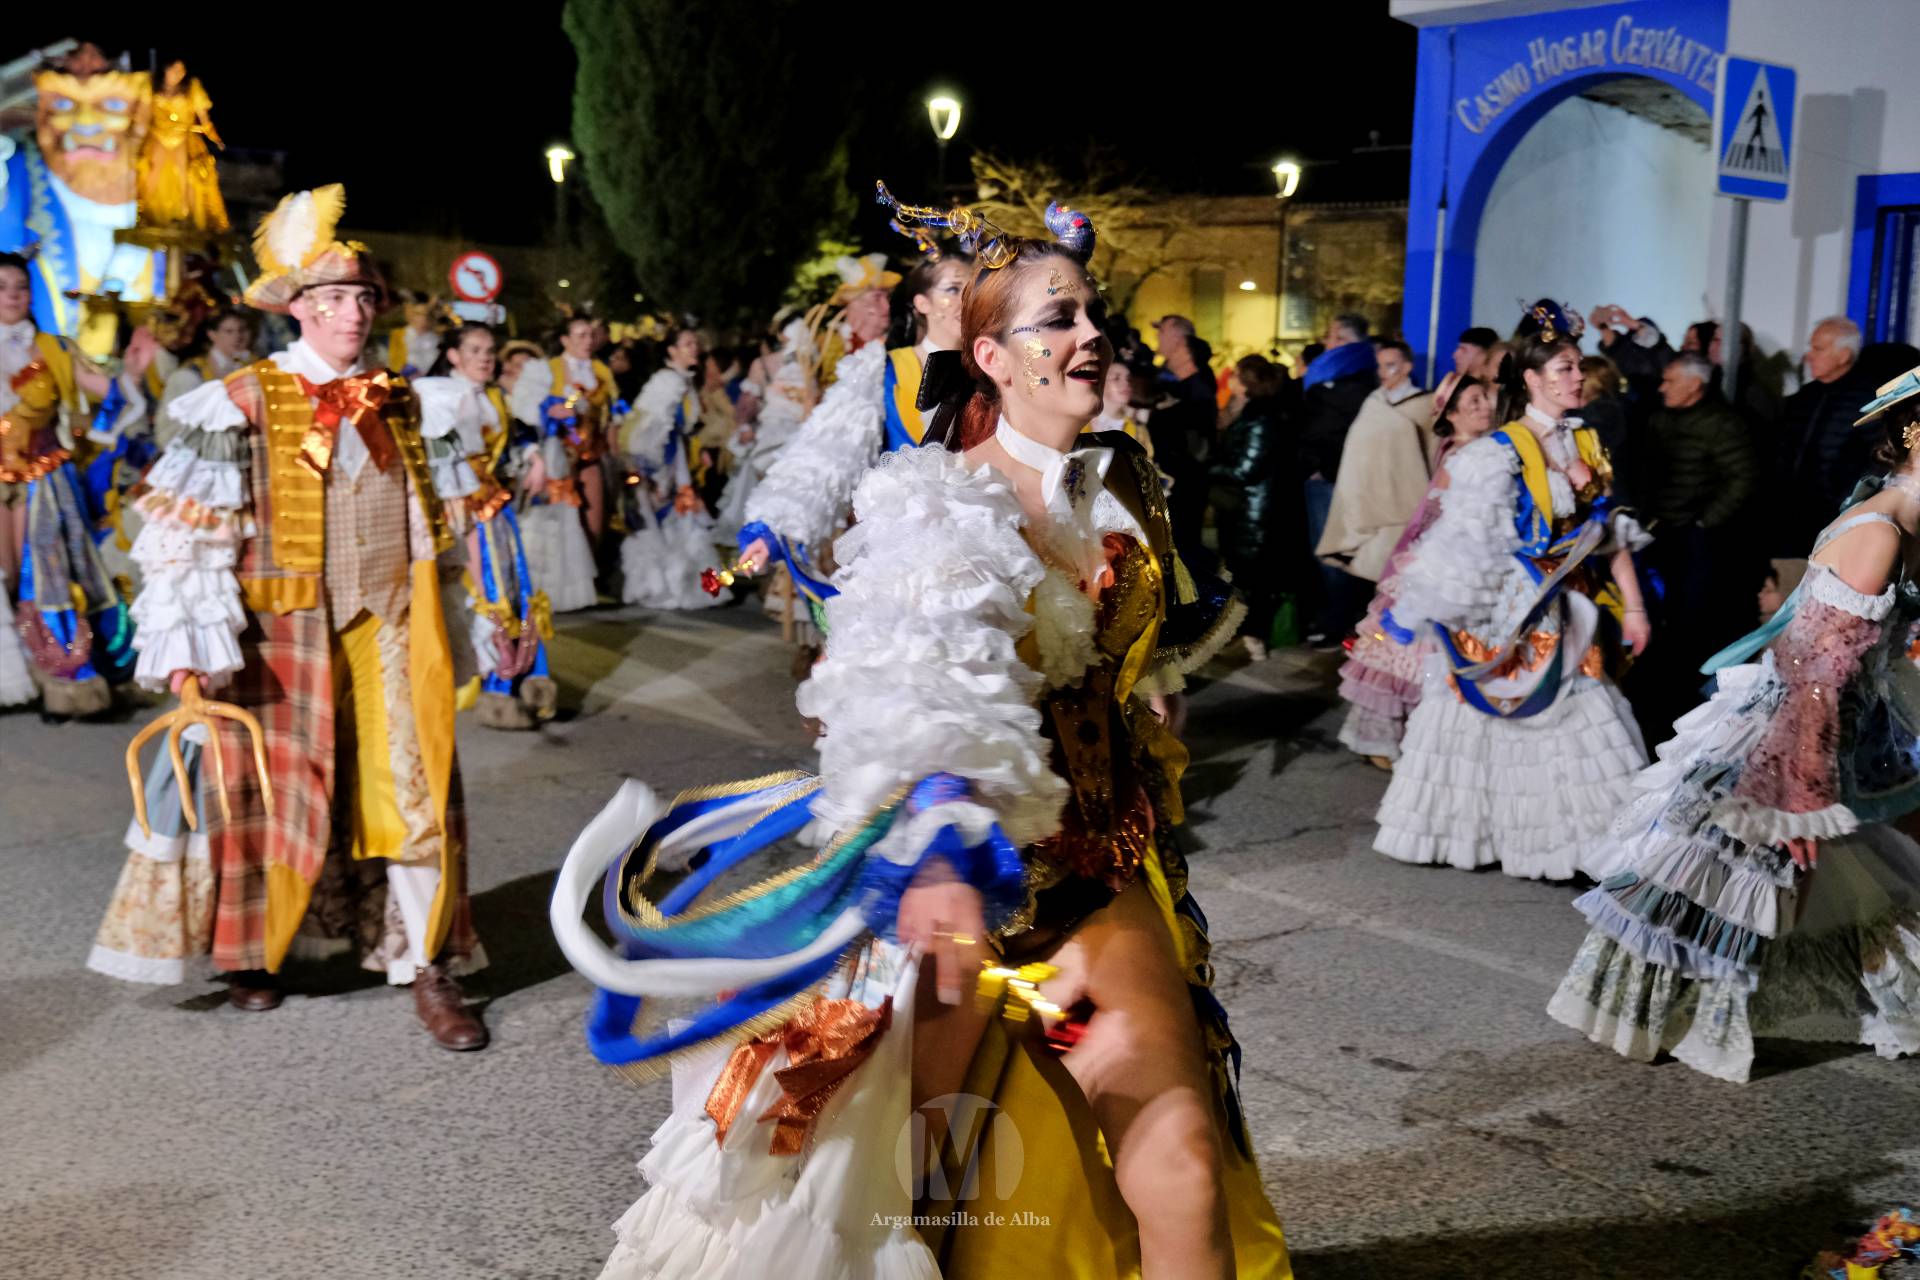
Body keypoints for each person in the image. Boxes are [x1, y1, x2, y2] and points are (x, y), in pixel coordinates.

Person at [551, 198, 1287, 1278]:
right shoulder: (935, 503)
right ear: (988, 352)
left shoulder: (1126, 480)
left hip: (1092, 886)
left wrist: (1144, 695)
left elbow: (1139, 642)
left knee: (1174, 1155)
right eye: (1057, 318)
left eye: (1091, 312)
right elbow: (928, 680)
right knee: (903, 1170)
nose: (1090, 335)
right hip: (953, 909)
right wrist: (942, 843)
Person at [89, 186, 486, 1049]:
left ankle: (425, 963)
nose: (354, 311)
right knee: (271, 795)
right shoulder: (236, 402)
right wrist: (188, 654)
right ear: (298, 310)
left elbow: (441, 535)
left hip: (389, 620)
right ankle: (253, 952)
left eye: (364, 297)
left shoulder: (410, 404)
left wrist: (474, 620)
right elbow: (187, 538)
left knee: (409, 790)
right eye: (335, 298)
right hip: (277, 631)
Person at [1549, 364, 1920, 1082]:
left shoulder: (1905, 516)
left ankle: (1893, 1004)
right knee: (1727, 881)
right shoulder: (1879, 530)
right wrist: (1800, 791)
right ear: (1911, 433)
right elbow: (1817, 670)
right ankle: (1648, 1017)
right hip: (1789, 731)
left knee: (1866, 878)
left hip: (1856, 720)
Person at [1372, 326, 1653, 880]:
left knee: (1579, 717)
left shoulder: (1585, 440)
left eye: (1578, 367)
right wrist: (1429, 611)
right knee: (1482, 719)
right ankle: (1474, 834)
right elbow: (1462, 544)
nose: (1577, 378)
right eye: (1564, 369)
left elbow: (1608, 530)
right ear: (1531, 379)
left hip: (1571, 604)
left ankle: (1581, 847)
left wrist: (1637, 606)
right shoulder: (1496, 452)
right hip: (1507, 608)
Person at [0, 250, 145, 718]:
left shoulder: (54, 348)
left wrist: (133, 375)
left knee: (42, 573)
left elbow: (112, 395)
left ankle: (64, 679)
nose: (12, 297)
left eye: (20, 288)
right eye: (1, 288)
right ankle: (14, 679)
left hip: (43, 476)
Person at [1337, 371, 1497, 766]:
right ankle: (1393, 739)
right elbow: (1432, 515)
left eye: (1485, 398)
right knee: (1411, 650)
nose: (1484, 407)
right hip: (1440, 563)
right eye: (1473, 401)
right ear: (1453, 414)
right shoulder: (1460, 452)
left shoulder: (1477, 448)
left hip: (1465, 562)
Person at [415, 322, 557, 730]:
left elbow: (518, 434)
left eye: (489, 350)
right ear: (454, 355)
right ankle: (493, 688)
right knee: (483, 594)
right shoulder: (437, 396)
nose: (484, 357)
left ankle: (524, 679)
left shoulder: (495, 396)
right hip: (459, 514)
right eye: (474, 350)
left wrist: (534, 457)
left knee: (515, 589)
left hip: (496, 508)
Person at [1627, 352, 1763, 740]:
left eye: (1670, 380)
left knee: (1691, 616)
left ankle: (1681, 697)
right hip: (1659, 531)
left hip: (1696, 536)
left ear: (1694, 384)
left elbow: (1742, 476)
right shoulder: (1659, 419)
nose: (1661, 387)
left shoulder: (1722, 424)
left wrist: (1705, 521)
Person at [614, 325, 728, 610]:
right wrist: (653, 469)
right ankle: (662, 588)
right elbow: (646, 426)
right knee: (665, 519)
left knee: (684, 517)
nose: (694, 348)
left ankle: (686, 587)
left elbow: (682, 428)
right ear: (672, 351)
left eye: (695, 343)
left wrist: (695, 452)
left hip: (677, 459)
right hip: (662, 462)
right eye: (687, 343)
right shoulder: (667, 381)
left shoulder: (684, 381)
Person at [508, 317, 610, 612]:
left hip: (590, 453)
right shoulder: (547, 369)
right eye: (580, 335)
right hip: (557, 453)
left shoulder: (600, 371)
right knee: (551, 518)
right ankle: (542, 588)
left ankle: (576, 584)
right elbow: (527, 410)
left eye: (590, 335)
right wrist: (552, 412)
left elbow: (610, 414)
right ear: (565, 340)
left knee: (592, 520)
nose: (587, 340)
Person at [1315, 339, 1435, 586]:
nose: (1382, 372)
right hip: (1371, 496)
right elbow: (1358, 452)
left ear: (1407, 367)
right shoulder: (1373, 403)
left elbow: (1431, 453)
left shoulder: (1425, 405)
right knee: (1374, 573)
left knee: (1400, 574)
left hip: (1405, 498)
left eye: (1390, 365)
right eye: (1379, 366)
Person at [1296, 313, 1378, 644]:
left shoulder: (1345, 377)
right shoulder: (1356, 374)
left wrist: (1320, 466)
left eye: (1331, 337)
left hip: (1331, 477)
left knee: (1333, 550)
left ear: (1344, 340)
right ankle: (1341, 618)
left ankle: (1339, 623)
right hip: (1333, 473)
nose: (1326, 344)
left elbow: (1332, 429)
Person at [1774, 316, 1881, 556]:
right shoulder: (1804, 398)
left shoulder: (1869, 401)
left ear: (1844, 355)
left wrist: (1844, 500)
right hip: (1788, 513)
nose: (1809, 355)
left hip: (1834, 516)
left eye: (1818, 348)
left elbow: (1878, 460)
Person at [1209, 355, 1287, 652]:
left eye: (1235, 374)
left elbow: (1246, 468)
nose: (1228, 378)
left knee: (1250, 576)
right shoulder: (1244, 410)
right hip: (1240, 507)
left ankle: (1255, 637)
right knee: (1239, 573)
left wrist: (1205, 468)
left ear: (1245, 382)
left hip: (1253, 510)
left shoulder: (1260, 416)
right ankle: (1243, 632)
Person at [1145, 317, 1218, 571]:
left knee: (1183, 544)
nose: (1158, 338)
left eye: (1162, 331)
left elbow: (1199, 436)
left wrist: (1168, 411)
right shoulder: (1168, 380)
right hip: (1170, 476)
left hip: (1184, 481)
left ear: (1180, 341)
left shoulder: (1198, 385)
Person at [154, 307, 255, 448]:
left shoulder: (254, 366)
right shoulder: (190, 374)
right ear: (212, 334)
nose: (238, 337)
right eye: (229, 331)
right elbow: (174, 427)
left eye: (243, 330)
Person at [386, 293, 443, 378]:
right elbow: (393, 361)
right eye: (418, 315)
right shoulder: (398, 335)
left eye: (426, 315)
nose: (422, 319)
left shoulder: (437, 338)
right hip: (404, 379)